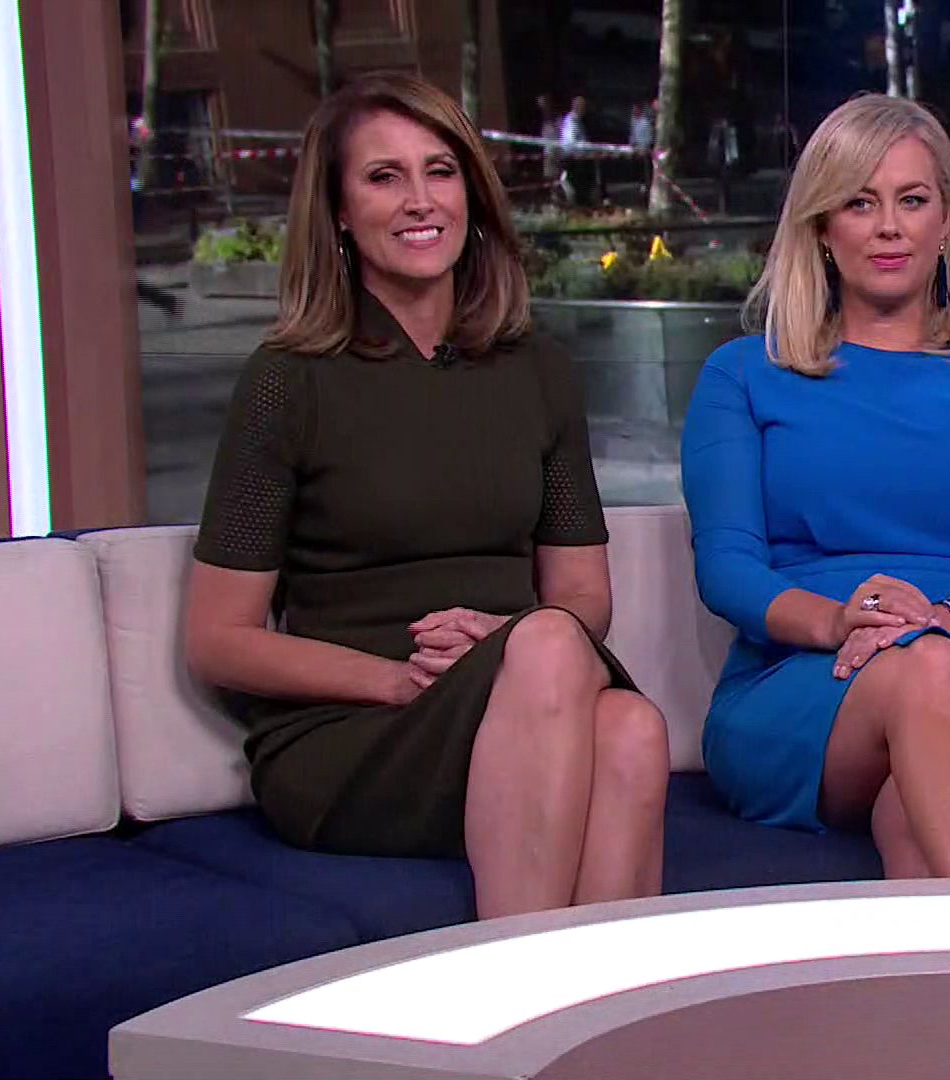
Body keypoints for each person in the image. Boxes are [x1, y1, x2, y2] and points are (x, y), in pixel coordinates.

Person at [183, 73, 669, 919]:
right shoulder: (288, 381)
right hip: (352, 730)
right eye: (384, 177)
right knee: (558, 656)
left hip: (520, 698)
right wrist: (399, 682)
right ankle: (521, 977)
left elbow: (584, 597)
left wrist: (508, 642)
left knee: (630, 727)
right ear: (339, 211)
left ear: (471, 195)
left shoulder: (539, 372)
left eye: (439, 171)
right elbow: (217, 641)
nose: (420, 200)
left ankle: (575, 998)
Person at [681, 93, 950, 877]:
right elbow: (727, 567)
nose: (889, 226)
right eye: (860, 203)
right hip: (802, 680)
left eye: (912, 200)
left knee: (917, 799)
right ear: (822, 228)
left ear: (946, 220)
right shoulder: (742, 375)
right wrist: (839, 622)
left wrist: (947, 620)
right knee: (923, 670)